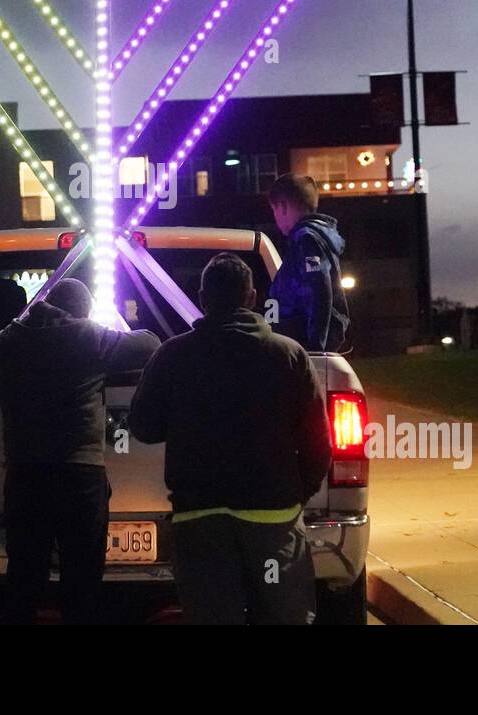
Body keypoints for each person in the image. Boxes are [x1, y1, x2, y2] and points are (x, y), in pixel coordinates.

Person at [129, 253, 331, 624]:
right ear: (252, 297)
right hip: (274, 515)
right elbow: (319, 442)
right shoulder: (289, 355)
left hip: (199, 517)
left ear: (204, 299)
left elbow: (142, 426)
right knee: (284, 615)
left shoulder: (172, 356)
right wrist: (295, 494)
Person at [0, 278, 159, 624]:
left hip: (26, 477)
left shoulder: (11, 339)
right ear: (82, 313)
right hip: (80, 477)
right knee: (82, 581)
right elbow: (149, 343)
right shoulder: (91, 337)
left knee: (24, 579)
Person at [266, 173, 350, 352]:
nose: (275, 217)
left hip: (303, 342)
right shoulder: (310, 238)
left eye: (274, 210)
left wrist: (315, 348)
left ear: (282, 207)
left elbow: (319, 286)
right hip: (302, 339)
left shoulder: (307, 240)